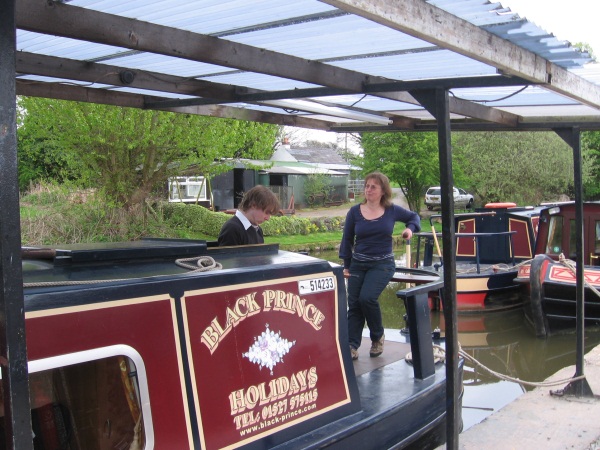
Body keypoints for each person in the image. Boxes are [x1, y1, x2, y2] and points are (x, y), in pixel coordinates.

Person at [339, 172, 421, 360]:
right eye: (367, 186)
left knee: (367, 298)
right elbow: (347, 239)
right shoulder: (354, 212)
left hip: (382, 263)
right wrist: (347, 265)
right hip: (358, 264)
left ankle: (377, 337)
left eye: (373, 187)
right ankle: (352, 344)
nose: (368, 190)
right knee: (354, 304)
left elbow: (414, 217)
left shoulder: (392, 210)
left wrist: (409, 230)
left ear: (383, 190)